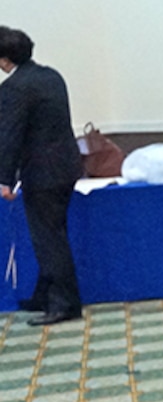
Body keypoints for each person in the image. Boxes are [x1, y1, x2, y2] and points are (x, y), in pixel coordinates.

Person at [0, 25, 83, 326]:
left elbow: (8, 137)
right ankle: (45, 295)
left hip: (42, 173)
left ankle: (64, 303)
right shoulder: (52, 76)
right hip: (67, 166)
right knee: (53, 234)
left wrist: (4, 179)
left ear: (5, 59)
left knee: (48, 240)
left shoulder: (13, 89)